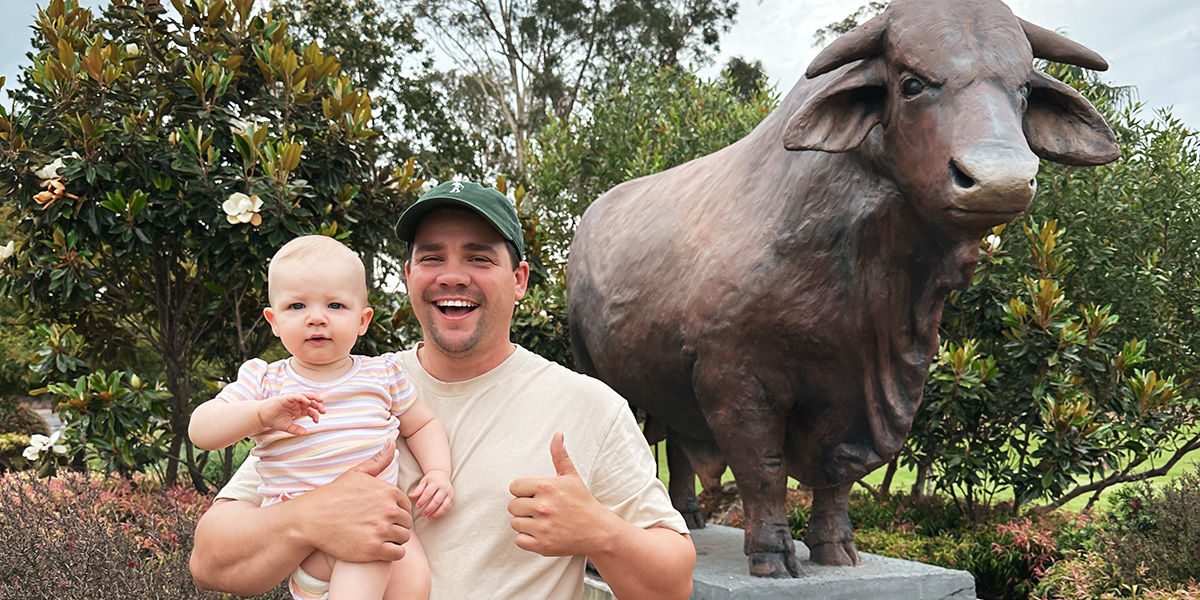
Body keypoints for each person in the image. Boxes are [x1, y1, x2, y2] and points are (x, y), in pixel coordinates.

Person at [190, 181, 695, 600]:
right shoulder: (341, 386)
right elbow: (211, 562)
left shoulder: (590, 408)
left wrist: (599, 533)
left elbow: (674, 585)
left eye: (479, 258)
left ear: (518, 279)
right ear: (409, 275)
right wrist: (307, 519)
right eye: (432, 258)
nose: (453, 276)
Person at [188, 235, 454, 600]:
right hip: (313, 546)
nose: (316, 318)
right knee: (370, 556)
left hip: (381, 523)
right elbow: (201, 429)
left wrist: (439, 472)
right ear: (274, 320)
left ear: (362, 320)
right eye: (297, 306)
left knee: (413, 577)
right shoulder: (266, 381)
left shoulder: (382, 374)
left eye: (335, 305)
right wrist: (260, 415)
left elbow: (421, 423)